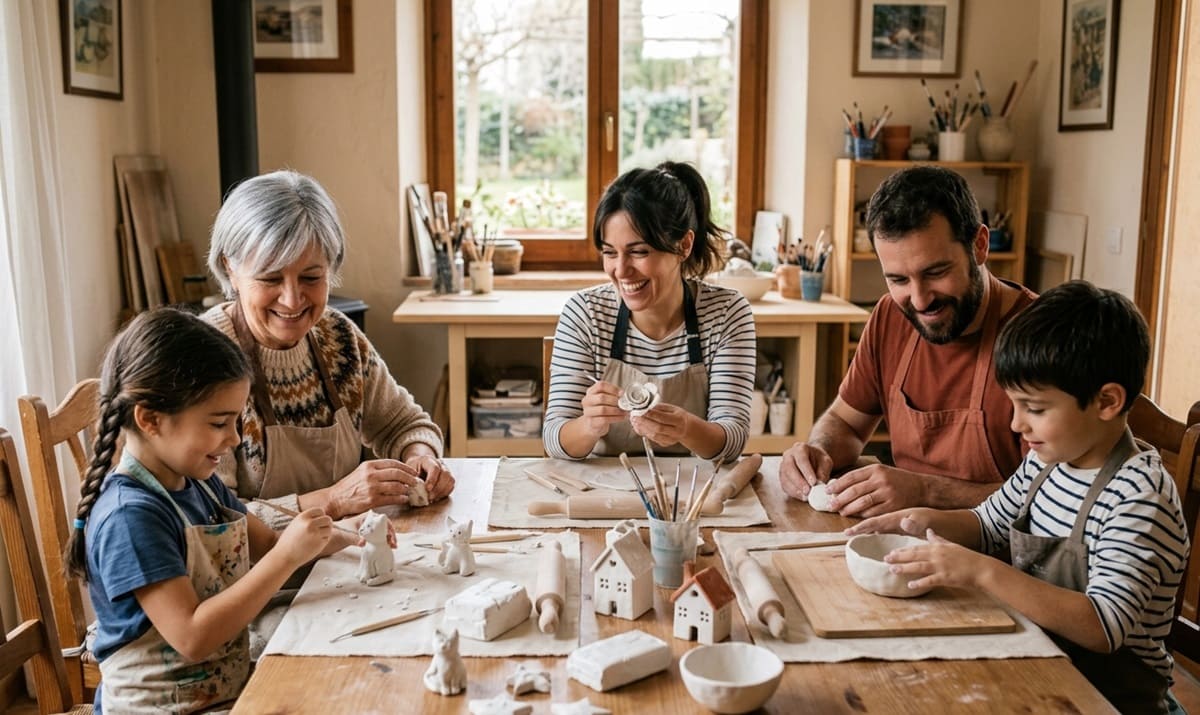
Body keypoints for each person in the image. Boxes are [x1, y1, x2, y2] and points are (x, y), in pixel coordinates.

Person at [847, 281, 1189, 714]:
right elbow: (989, 525)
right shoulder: (1049, 461)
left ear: (1106, 401)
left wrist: (982, 573)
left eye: (1035, 408)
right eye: (1013, 404)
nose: (1016, 425)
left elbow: (1104, 625)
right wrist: (916, 522)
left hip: (1110, 699)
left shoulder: (1139, 498)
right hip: (1042, 670)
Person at [65, 308, 362, 713]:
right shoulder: (129, 517)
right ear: (150, 419)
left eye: (236, 421)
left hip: (220, 695)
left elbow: (269, 543)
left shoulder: (200, 481)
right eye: (219, 423)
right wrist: (287, 555)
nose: (235, 438)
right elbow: (192, 636)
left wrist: (349, 538)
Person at [780, 165, 1037, 516]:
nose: (918, 300)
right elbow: (846, 423)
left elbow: (1052, 499)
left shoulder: (1042, 337)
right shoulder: (890, 316)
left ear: (979, 245)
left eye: (935, 273)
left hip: (1003, 558)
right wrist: (818, 452)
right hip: (908, 543)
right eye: (898, 279)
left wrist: (924, 490)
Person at [205, 170, 453, 529]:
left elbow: (404, 423)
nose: (292, 300)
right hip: (262, 580)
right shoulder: (204, 360)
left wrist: (421, 458)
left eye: (311, 277)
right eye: (270, 278)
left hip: (339, 560)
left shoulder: (337, 337)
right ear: (230, 269)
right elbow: (216, 522)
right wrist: (335, 500)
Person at [542, 161, 756, 462]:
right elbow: (554, 439)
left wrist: (685, 428)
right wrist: (589, 425)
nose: (621, 270)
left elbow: (732, 440)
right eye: (609, 252)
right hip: (600, 491)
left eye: (638, 252)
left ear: (683, 245)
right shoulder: (586, 313)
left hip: (693, 493)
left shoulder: (726, 313)